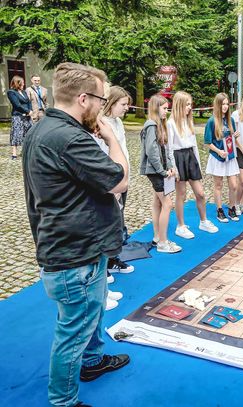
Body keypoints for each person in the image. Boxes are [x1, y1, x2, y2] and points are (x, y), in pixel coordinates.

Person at [22, 62, 130, 407]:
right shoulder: (67, 137)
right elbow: (119, 180)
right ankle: (63, 400)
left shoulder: (46, 129)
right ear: (84, 99)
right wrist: (112, 137)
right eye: (100, 99)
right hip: (73, 253)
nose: (102, 106)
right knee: (73, 331)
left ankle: (93, 361)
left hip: (79, 245)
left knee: (92, 314)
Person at [167, 91, 218, 237]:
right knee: (181, 194)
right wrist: (175, 168)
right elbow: (169, 148)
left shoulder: (188, 121)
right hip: (178, 157)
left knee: (200, 193)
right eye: (187, 104)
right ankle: (180, 226)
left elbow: (194, 145)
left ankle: (203, 221)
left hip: (190, 157)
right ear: (179, 105)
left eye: (190, 104)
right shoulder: (170, 124)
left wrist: (197, 164)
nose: (190, 107)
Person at [140, 94, 181, 253]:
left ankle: (158, 237)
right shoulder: (151, 125)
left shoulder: (159, 125)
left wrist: (170, 167)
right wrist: (163, 171)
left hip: (161, 170)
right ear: (156, 108)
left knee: (158, 202)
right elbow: (151, 152)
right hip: (156, 171)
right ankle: (163, 242)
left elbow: (164, 149)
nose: (167, 111)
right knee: (167, 203)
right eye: (164, 108)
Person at [102, 86, 135, 276]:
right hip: (111, 181)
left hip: (122, 178)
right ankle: (104, 264)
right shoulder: (103, 124)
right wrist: (112, 184)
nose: (126, 108)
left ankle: (114, 258)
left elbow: (124, 152)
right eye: (123, 104)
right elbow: (104, 156)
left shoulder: (118, 123)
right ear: (111, 103)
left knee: (118, 220)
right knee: (108, 222)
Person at [204, 93, 240, 223]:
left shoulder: (230, 120)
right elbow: (207, 142)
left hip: (230, 157)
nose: (225, 106)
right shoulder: (212, 121)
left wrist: (236, 135)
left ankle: (232, 208)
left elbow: (232, 139)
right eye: (222, 104)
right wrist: (219, 151)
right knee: (218, 185)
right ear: (217, 105)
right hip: (218, 157)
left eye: (226, 104)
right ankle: (219, 210)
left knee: (234, 185)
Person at [7, 75, 32, 159]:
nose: (24, 84)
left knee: (28, 133)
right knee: (16, 133)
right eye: (22, 83)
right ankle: (14, 154)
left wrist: (30, 110)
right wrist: (27, 111)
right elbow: (17, 105)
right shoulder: (11, 92)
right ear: (17, 83)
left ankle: (26, 151)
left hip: (27, 116)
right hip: (17, 116)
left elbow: (29, 102)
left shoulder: (24, 92)